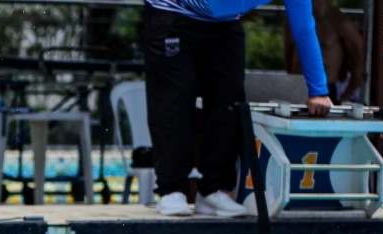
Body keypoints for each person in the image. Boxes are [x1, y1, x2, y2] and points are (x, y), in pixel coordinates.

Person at [144, 0, 333, 218]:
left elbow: (303, 27)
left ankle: (214, 190)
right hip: (173, 13)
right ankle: (171, 190)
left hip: (223, 22)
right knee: (175, 100)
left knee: (230, 103)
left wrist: (318, 91)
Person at [285, 0, 364, 104]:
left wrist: (345, 96)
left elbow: (359, 59)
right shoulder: (294, 17)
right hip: (296, 86)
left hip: (325, 90)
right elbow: (288, 55)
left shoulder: (340, 22)